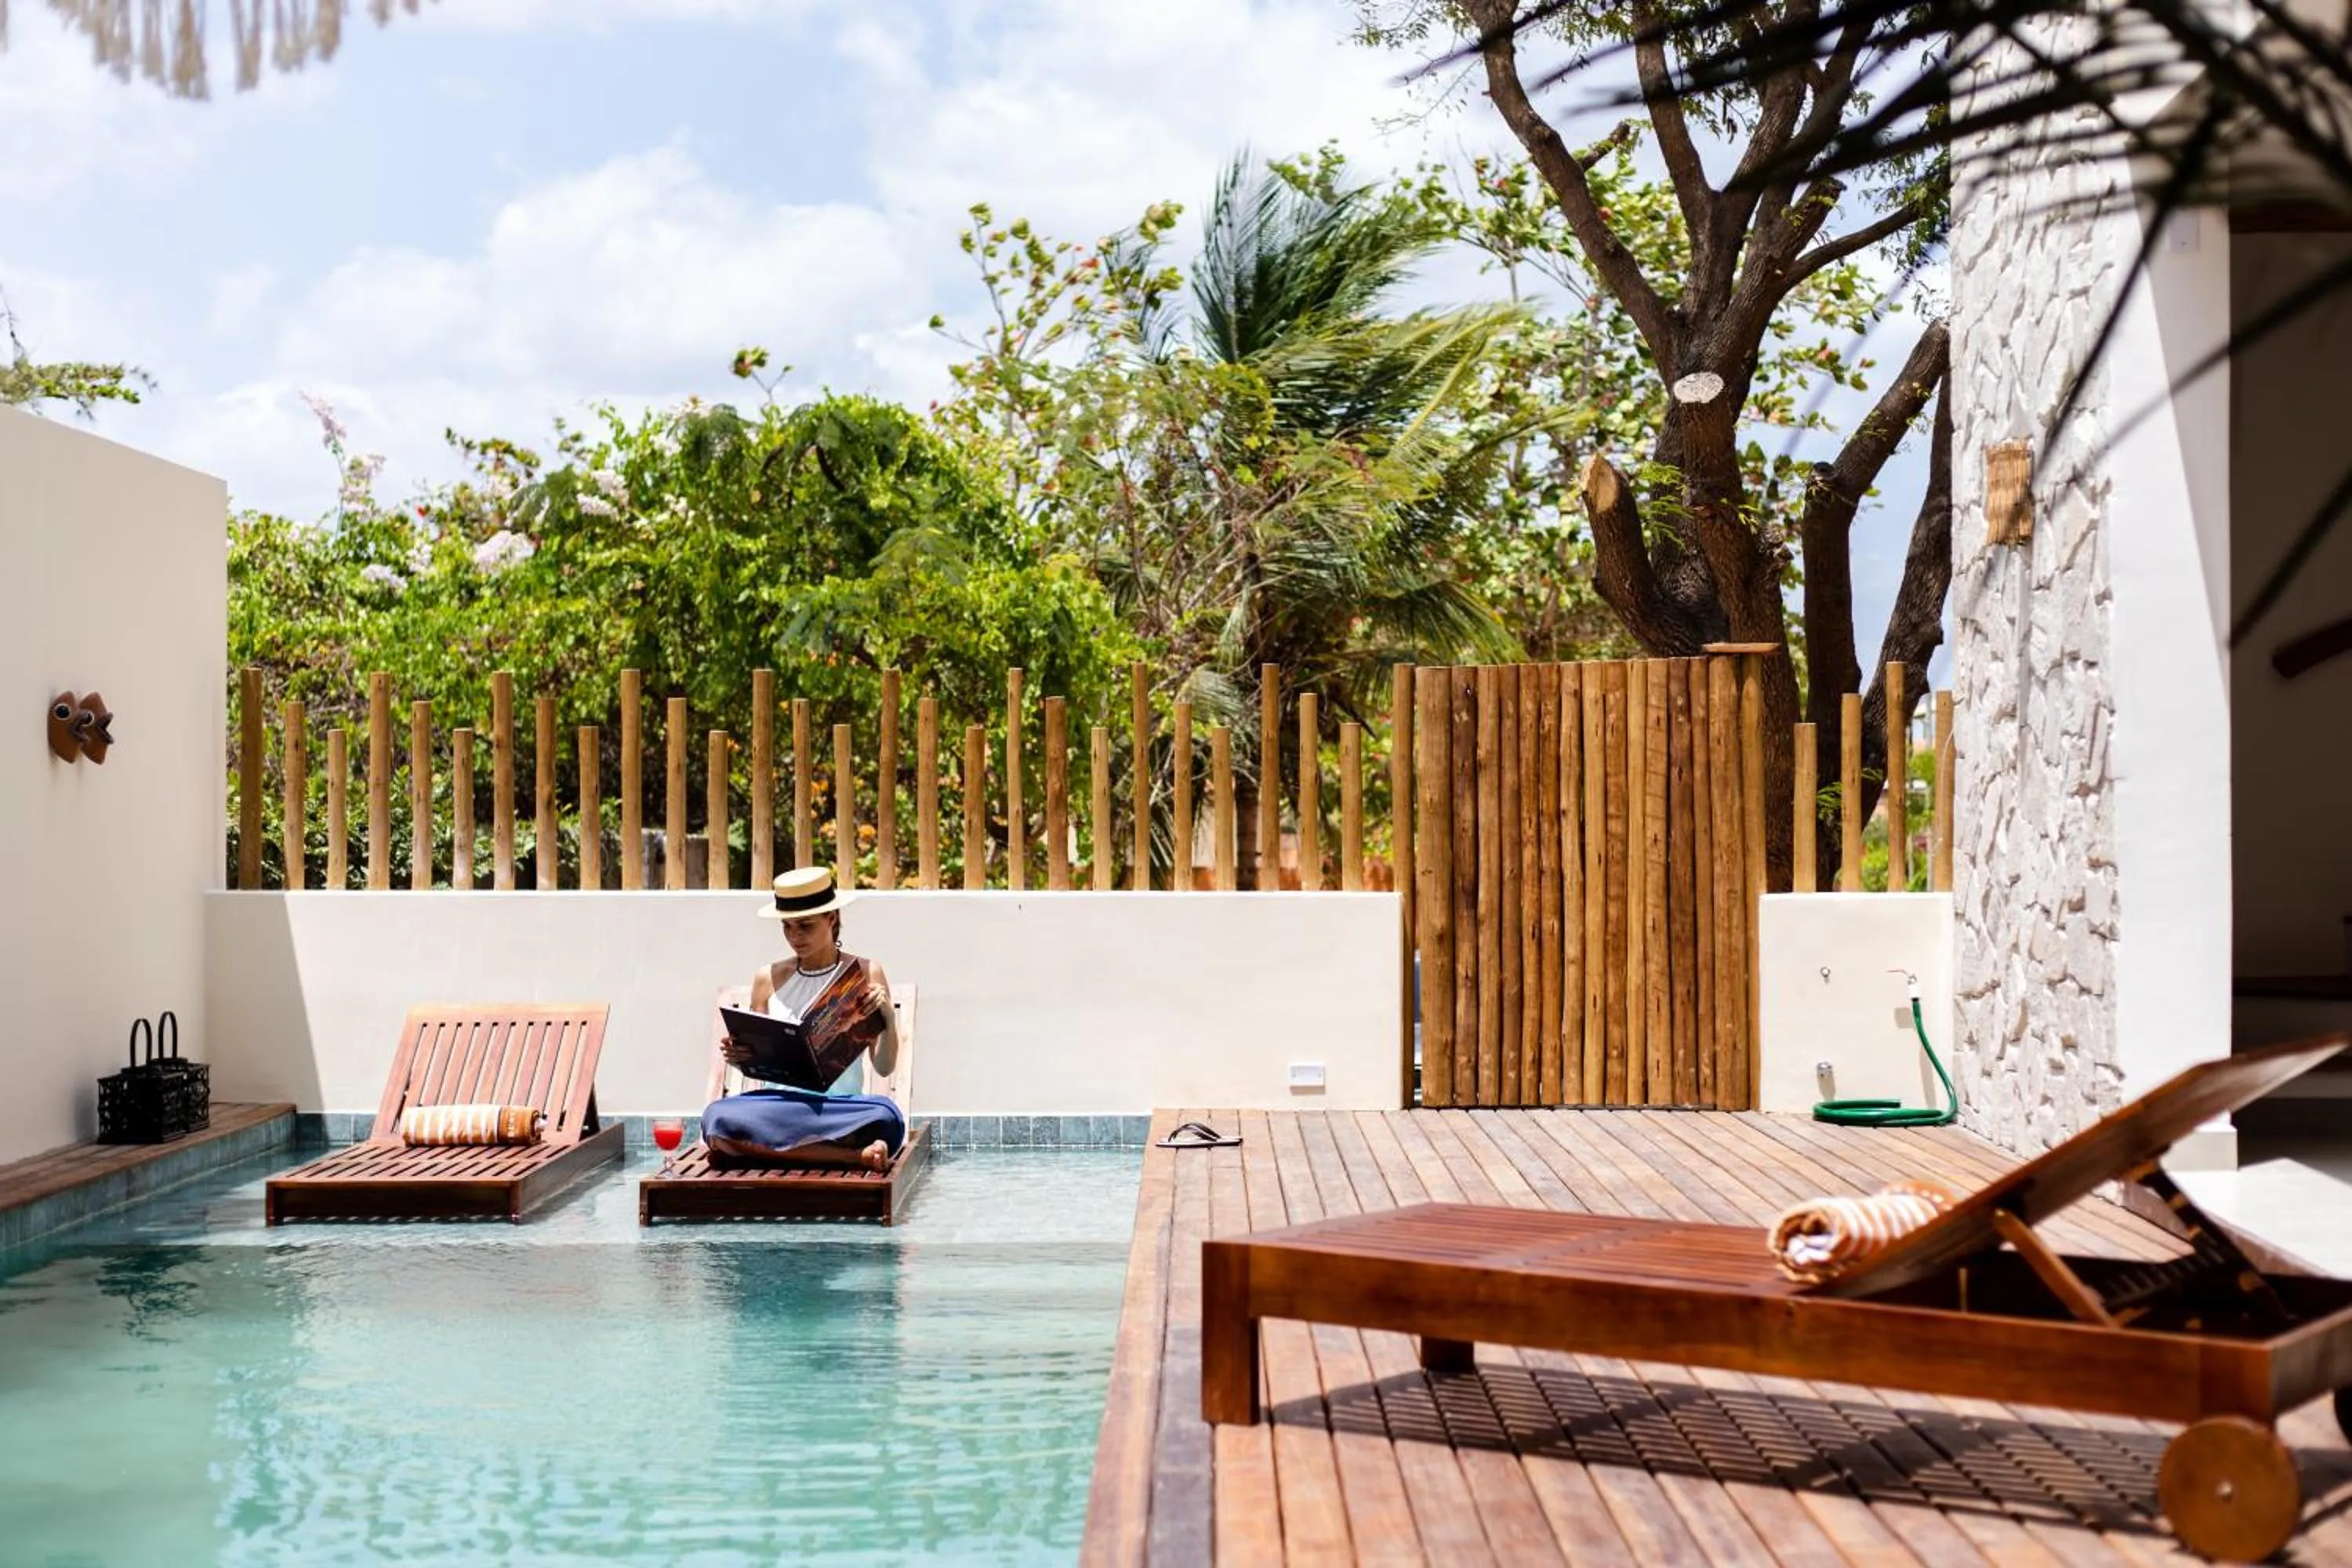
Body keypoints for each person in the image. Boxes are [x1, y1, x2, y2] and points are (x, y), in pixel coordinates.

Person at [702, 866, 906, 1173]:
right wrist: (741, 1057)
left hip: (839, 1109)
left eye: (805, 926)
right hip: (781, 1107)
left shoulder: (864, 974)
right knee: (715, 1118)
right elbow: (760, 1061)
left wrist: (888, 1019)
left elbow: (885, 1066)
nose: (795, 937)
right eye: (787, 927)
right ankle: (851, 1157)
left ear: (832, 918)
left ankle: (757, 1150)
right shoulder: (767, 979)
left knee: (887, 1116)